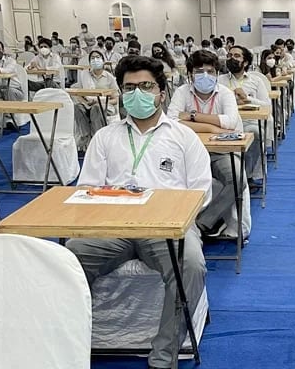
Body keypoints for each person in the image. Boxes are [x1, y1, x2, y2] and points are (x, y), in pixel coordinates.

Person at [66, 55, 211, 369]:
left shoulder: (183, 137)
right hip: (112, 227)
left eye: (146, 86)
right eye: (129, 88)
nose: (137, 94)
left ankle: (163, 355)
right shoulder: (106, 137)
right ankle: (66, 343)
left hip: (166, 228)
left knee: (192, 264)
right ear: (121, 93)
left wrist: (167, 210)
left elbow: (202, 192)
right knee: (67, 258)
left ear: (161, 92)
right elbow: (86, 189)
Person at [167, 50, 244, 239]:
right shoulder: (182, 92)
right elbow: (171, 121)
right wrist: (211, 128)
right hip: (187, 154)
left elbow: (230, 122)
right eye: (199, 71)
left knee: (237, 179)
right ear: (190, 74)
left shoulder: (224, 93)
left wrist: (192, 117)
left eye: (210, 71)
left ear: (217, 73)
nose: (205, 76)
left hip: (219, 152)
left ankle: (204, 223)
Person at [219, 45, 271, 184]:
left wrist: (247, 99)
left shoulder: (256, 80)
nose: (232, 58)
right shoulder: (220, 81)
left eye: (236, 56)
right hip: (225, 124)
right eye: (229, 55)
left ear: (246, 62)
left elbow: (267, 105)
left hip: (250, 122)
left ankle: (247, 175)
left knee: (254, 132)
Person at [71, 50, 120, 151]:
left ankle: (96, 138)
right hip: (87, 104)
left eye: (98, 57)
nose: (95, 60)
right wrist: (84, 102)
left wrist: (99, 102)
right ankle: (85, 135)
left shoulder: (109, 77)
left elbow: (115, 99)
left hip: (105, 105)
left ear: (103, 60)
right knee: (77, 107)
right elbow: (78, 94)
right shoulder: (85, 76)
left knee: (96, 108)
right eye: (92, 58)